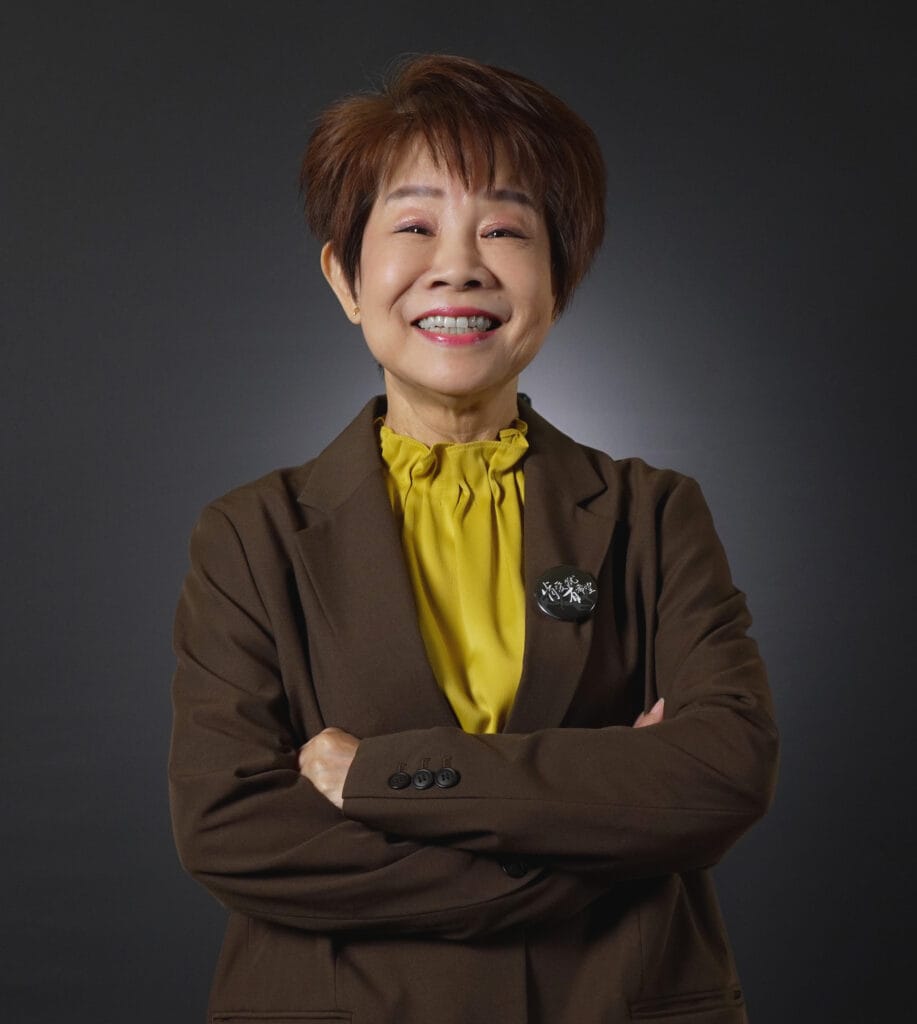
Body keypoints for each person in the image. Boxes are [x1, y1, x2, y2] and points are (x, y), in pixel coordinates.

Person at [169, 54, 778, 1024]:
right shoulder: (249, 536)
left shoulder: (655, 515)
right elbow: (231, 827)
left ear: (556, 279)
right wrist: (593, 835)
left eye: (503, 228)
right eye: (414, 226)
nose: (458, 265)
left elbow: (720, 770)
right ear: (344, 277)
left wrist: (374, 778)